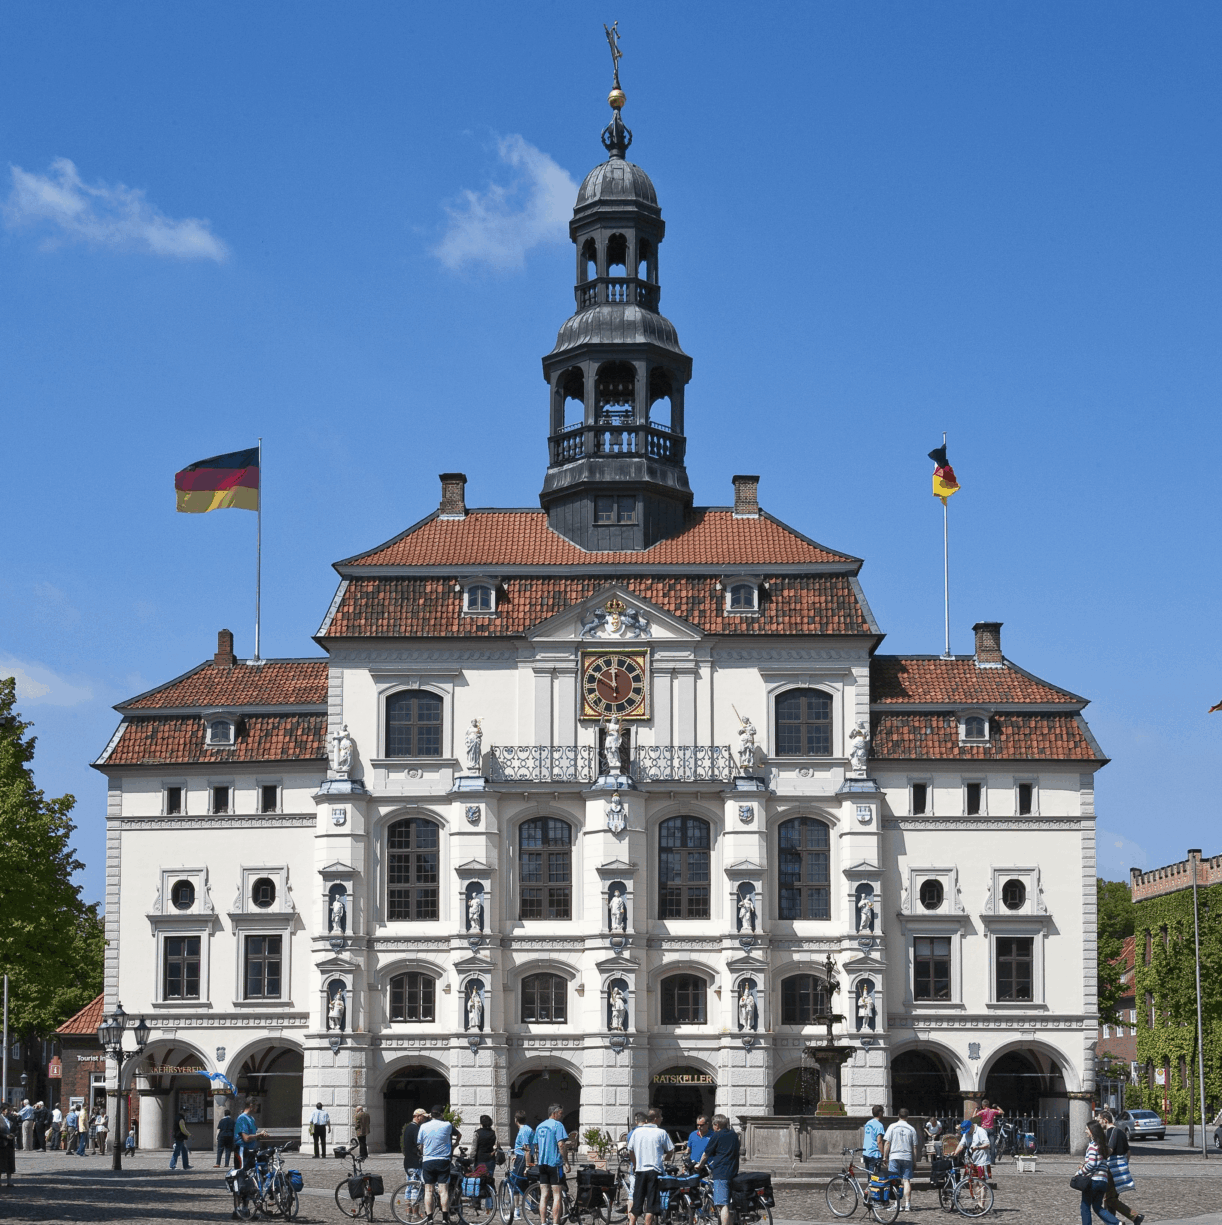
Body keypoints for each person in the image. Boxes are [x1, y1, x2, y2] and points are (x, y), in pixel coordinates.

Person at [625, 1107, 674, 1225]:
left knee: (637, 1202)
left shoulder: (636, 1132)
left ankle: (631, 1223)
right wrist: (665, 1159)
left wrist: (635, 1164)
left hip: (640, 1171)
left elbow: (630, 1150)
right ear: (656, 1119)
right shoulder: (661, 1132)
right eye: (661, 1117)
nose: (662, 1119)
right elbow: (671, 1150)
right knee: (651, 1205)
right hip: (654, 1171)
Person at [1098, 1110, 1144, 1225]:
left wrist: (1099, 1158)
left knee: (1109, 1199)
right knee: (1111, 1198)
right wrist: (1125, 1165)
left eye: (1099, 1120)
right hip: (1121, 1168)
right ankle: (1111, 1222)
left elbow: (1110, 1150)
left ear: (1105, 1120)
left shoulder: (1110, 1133)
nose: (1098, 1123)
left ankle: (1135, 1217)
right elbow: (1128, 1152)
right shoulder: (1121, 1132)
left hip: (1112, 1169)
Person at [694, 1114, 740, 1225]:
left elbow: (706, 1154)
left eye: (713, 1125)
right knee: (729, 1203)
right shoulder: (734, 1135)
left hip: (721, 1173)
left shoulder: (717, 1136)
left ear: (717, 1125)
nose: (712, 1128)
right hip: (733, 1171)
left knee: (722, 1204)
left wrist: (699, 1165)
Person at [419, 1104, 461, 1222]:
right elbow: (459, 1134)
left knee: (428, 1190)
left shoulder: (423, 1126)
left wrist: (423, 1152)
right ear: (442, 1114)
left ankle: (430, 1219)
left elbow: (420, 1144)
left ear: (431, 1115)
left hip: (428, 1160)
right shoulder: (447, 1125)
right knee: (443, 1190)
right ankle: (444, 1219)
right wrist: (454, 1145)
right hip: (443, 1160)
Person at [534, 1103, 572, 1225]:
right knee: (557, 1195)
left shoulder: (540, 1126)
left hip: (542, 1164)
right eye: (560, 1113)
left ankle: (543, 1222)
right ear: (554, 1113)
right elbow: (561, 1145)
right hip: (555, 1164)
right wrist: (566, 1161)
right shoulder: (558, 1125)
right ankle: (556, 1223)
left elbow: (535, 1145)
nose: (562, 1116)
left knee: (544, 1194)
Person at [1077, 1120, 1119, 1225]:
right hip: (1103, 1181)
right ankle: (1117, 1223)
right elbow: (1100, 1163)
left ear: (1092, 1131)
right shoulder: (1103, 1146)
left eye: (1087, 1129)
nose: (1085, 1131)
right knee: (1097, 1206)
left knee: (1085, 1206)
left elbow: (1092, 1164)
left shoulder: (1092, 1145)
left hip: (1093, 1181)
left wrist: (1080, 1172)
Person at [882, 1108, 919, 1213]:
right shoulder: (912, 1129)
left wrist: (885, 1156)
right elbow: (915, 1147)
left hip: (894, 1156)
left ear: (898, 1115)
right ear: (907, 1116)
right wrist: (914, 1161)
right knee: (906, 1180)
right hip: (907, 1156)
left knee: (895, 1181)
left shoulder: (892, 1127)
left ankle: (896, 1204)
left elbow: (887, 1143)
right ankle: (907, 1204)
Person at [400, 1108, 428, 1222]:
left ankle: (408, 1214)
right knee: (416, 1188)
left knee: (409, 1188)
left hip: (408, 1161)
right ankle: (415, 1213)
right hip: (415, 1162)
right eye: (423, 1117)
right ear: (418, 1116)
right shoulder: (415, 1128)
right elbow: (420, 1144)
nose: (425, 1118)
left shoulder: (408, 1128)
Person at [972, 1099, 1003, 1172]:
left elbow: (973, 1116)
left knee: (982, 1145)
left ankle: (982, 1160)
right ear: (988, 1105)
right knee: (992, 1146)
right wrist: (997, 1106)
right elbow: (1002, 1112)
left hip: (984, 1130)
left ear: (983, 1105)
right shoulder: (992, 1111)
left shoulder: (982, 1111)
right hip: (991, 1129)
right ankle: (992, 1161)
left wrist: (976, 1110)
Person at [233, 1101, 259, 1170]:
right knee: (242, 1171)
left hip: (251, 1150)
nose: (257, 1107)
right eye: (256, 1105)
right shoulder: (242, 1118)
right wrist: (258, 1135)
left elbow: (254, 1133)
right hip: (243, 1149)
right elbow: (246, 1138)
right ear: (251, 1106)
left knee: (251, 1172)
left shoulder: (252, 1118)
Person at [863, 1104, 886, 1173]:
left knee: (869, 1175)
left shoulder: (868, 1123)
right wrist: (883, 1154)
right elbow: (879, 1141)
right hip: (874, 1153)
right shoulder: (879, 1125)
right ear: (880, 1113)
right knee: (875, 1177)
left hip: (866, 1152)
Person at [0, 1106, 15, 1187]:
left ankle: (9, 1181)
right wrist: (6, 1136)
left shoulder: (11, 1119)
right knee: (1, 1163)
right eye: (7, 1110)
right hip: (2, 1144)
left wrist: (13, 1134)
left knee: (10, 1163)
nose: (9, 1112)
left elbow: (15, 1129)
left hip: (10, 1144)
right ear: (3, 1111)